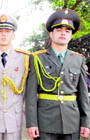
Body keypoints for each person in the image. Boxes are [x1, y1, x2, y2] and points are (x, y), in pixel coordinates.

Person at [26, 9, 90, 140]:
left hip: (72, 120)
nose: (63, 34)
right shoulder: (37, 58)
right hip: (45, 120)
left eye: (67, 31)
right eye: (59, 30)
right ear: (51, 34)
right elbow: (31, 95)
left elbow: (83, 94)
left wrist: (86, 122)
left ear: (71, 36)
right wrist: (31, 123)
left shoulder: (78, 59)